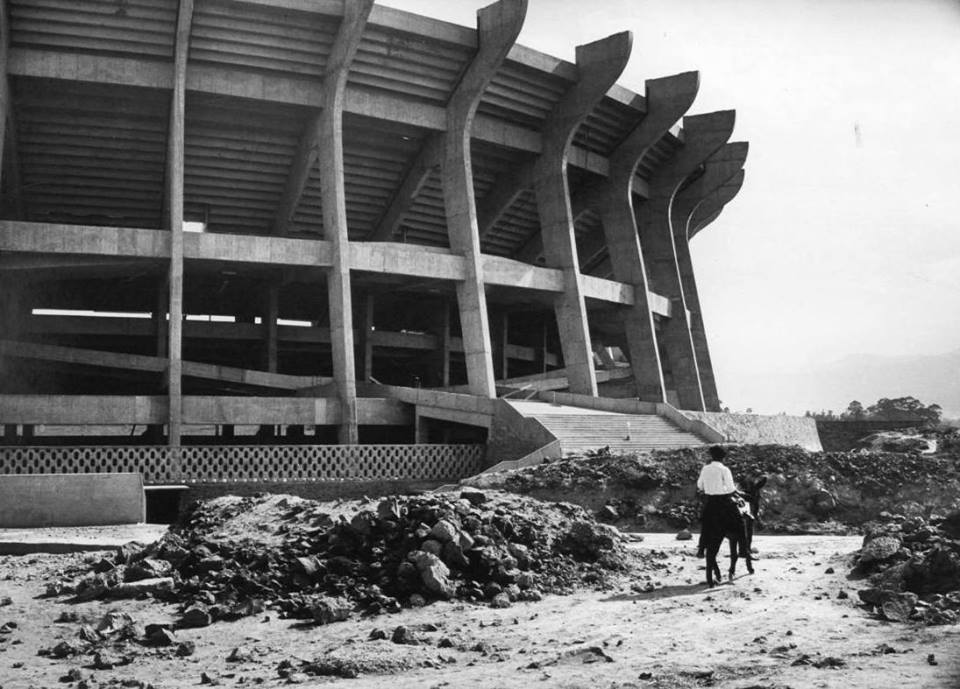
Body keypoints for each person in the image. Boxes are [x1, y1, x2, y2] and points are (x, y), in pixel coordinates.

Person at [696, 445, 736, 558]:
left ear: (711, 456)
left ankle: (701, 549)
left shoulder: (705, 468)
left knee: (706, 526)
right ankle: (741, 549)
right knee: (737, 523)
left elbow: (700, 486)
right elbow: (731, 488)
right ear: (724, 458)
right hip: (722, 501)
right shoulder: (724, 470)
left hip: (709, 500)